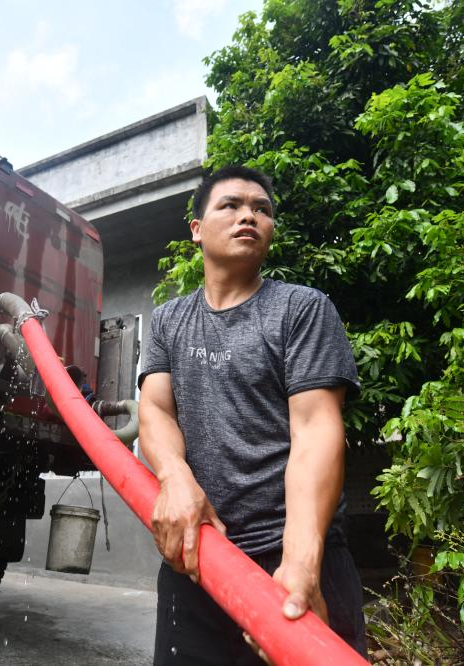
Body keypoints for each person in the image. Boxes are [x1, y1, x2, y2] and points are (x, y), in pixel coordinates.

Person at [138, 165, 367, 663]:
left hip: (292, 559)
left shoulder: (301, 309)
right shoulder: (169, 319)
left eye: (262, 210)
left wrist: (302, 561)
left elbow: (316, 430)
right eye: (231, 205)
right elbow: (155, 410)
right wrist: (175, 477)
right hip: (196, 557)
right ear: (196, 229)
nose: (250, 216)